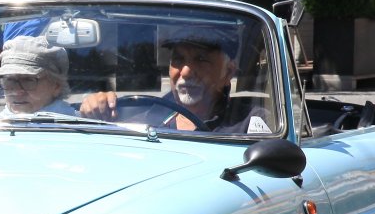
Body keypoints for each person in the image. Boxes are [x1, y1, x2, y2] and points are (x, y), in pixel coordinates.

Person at [78, 26, 274, 134]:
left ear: (228, 73)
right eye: (178, 59)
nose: (186, 72)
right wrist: (96, 110)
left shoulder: (249, 123)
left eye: (201, 59)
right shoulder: (144, 115)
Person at [0, 35, 80, 117]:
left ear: (56, 86)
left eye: (28, 80)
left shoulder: (75, 124)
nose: (16, 91)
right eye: (10, 80)